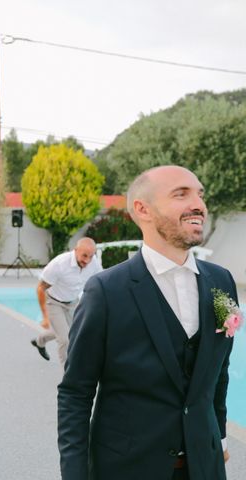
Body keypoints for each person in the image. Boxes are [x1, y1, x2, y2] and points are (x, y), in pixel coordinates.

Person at [58, 166, 235, 479]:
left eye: (199, 194)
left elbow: (218, 374)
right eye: (181, 194)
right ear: (143, 210)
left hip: (205, 468)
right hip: (127, 469)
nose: (199, 204)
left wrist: (218, 436)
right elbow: (76, 392)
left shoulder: (221, 282)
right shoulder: (106, 291)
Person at [30, 237, 101, 365]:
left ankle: (40, 341)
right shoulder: (59, 264)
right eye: (84, 256)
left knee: (68, 332)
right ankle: (67, 378)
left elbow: (99, 282)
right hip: (54, 302)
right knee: (65, 340)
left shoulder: (93, 263)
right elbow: (40, 288)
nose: (87, 260)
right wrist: (45, 316)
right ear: (75, 250)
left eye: (91, 256)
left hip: (72, 303)